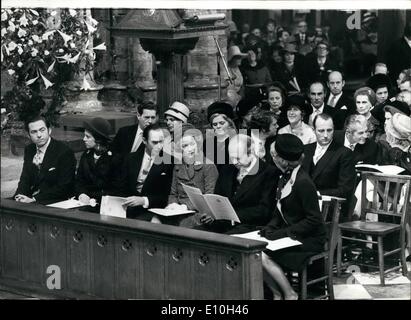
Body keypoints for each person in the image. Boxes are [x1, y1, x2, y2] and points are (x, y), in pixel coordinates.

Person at [260, 134, 326, 300]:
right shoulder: (286, 176)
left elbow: (314, 220)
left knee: (261, 255)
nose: (272, 159)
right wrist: (271, 227)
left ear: (283, 160)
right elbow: (279, 209)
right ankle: (277, 293)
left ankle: (289, 294)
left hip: (309, 239)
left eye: (275, 156)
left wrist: (282, 234)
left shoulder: (303, 181)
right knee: (254, 252)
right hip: (293, 234)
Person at [154, 123, 219, 228]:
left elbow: (208, 197)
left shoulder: (208, 166)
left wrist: (185, 206)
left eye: (192, 144)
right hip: (178, 210)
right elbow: (173, 193)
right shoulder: (178, 166)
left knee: (182, 224)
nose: (190, 149)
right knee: (155, 220)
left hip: (199, 212)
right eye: (185, 146)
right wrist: (172, 206)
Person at [113, 123, 174, 221]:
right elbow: (120, 186)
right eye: (154, 142)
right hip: (127, 206)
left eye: (161, 142)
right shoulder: (130, 159)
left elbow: (167, 195)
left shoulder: (169, 162)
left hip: (152, 210)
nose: (159, 146)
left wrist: (144, 200)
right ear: (144, 140)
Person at [14, 114, 76, 205]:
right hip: (32, 198)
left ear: (49, 130)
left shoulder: (64, 152)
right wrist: (19, 195)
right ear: (28, 135)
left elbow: (64, 187)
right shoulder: (30, 149)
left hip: (55, 200)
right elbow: (25, 178)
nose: (39, 135)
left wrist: (34, 199)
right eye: (34, 132)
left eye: (42, 130)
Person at [302, 113, 356, 200]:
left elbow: (345, 189)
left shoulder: (344, 153)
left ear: (334, 129)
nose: (326, 135)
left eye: (329, 130)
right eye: (321, 131)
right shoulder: (305, 150)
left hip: (328, 205)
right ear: (313, 130)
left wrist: (317, 194)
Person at [75, 117, 116, 210]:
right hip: (83, 202)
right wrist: (81, 194)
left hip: (106, 205)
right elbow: (79, 180)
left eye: (88, 137)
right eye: (84, 135)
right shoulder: (86, 155)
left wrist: (91, 197)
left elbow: (116, 189)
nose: (84, 139)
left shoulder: (114, 157)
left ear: (98, 139)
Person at [204, 101, 237, 173]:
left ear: (229, 123)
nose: (218, 126)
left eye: (222, 123)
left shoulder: (237, 141)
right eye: (215, 124)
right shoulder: (207, 143)